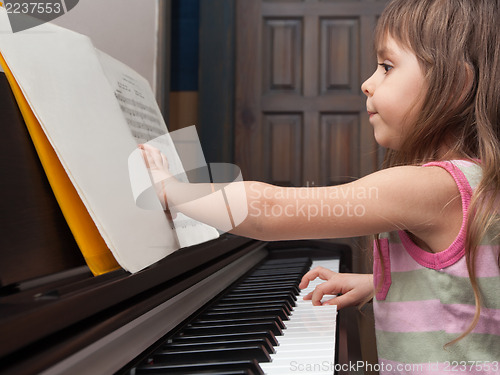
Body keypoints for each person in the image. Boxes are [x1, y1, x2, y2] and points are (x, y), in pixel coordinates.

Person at [140, 0, 500, 372]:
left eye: (387, 67)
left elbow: (268, 210)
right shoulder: (479, 179)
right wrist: (378, 284)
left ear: (455, 84)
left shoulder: (432, 187)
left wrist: (172, 190)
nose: (367, 82)